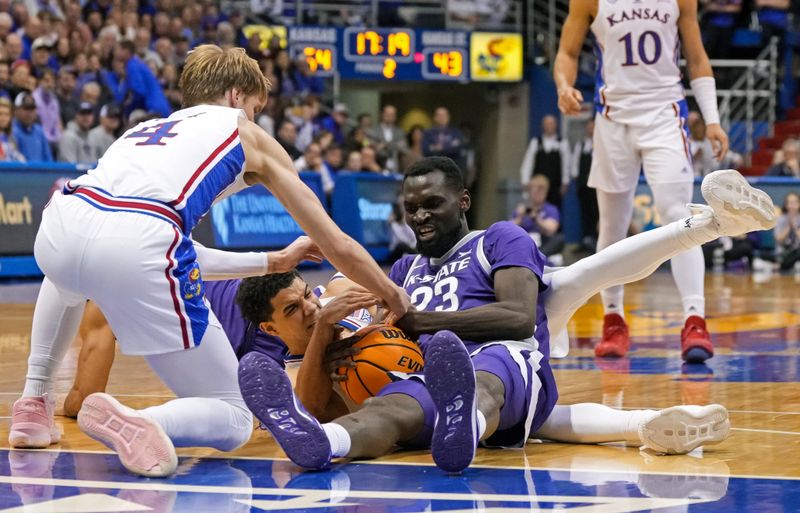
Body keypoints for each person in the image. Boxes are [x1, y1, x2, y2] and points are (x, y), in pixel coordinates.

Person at [8, 45, 410, 479]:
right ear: (237, 96)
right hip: (142, 242)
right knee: (237, 414)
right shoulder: (247, 134)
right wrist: (392, 294)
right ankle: (146, 421)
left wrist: (272, 261)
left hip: (63, 219)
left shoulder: (144, 129)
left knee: (66, 273)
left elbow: (119, 237)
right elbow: (334, 242)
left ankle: (33, 403)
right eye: (254, 108)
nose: (253, 118)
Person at [239, 157, 773, 473]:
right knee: (389, 409)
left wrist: (422, 324)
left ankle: (706, 225)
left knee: (495, 362)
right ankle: (322, 444)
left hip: (510, 360)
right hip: (432, 370)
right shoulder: (402, 270)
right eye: (411, 210)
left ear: (463, 199)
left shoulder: (499, 238)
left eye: (433, 205)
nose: (420, 216)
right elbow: (365, 312)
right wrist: (331, 321)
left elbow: (518, 318)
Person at [554, 0, 730, 362]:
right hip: (612, 119)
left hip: (665, 115)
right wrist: (563, 85)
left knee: (680, 217)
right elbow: (567, 53)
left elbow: (696, 58)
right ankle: (613, 320)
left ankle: (695, 321)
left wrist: (711, 118)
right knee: (613, 226)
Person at [519, 115, 570, 208]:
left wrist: (565, 182)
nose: (549, 126)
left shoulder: (562, 143)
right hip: (538, 184)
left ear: (556, 125)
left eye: (551, 124)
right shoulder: (536, 142)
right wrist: (525, 180)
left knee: (555, 208)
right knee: (537, 208)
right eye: (547, 124)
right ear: (543, 126)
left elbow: (565, 164)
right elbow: (528, 162)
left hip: (555, 185)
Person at [511, 174, 564, 258]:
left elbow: (551, 230)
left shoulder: (550, 209)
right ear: (529, 192)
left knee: (560, 238)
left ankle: (537, 257)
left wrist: (536, 219)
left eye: (541, 191)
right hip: (525, 242)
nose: (537, 195)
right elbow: (509, 229)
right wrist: (520, 217)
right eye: (535, 191)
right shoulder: (523, 209)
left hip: (543, 244)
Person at [571, 119, 598, 248]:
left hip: (598, 186)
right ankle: (585, 241)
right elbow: (575, 165)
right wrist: (578, 178)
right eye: (588, 127)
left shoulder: (601, 144)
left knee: (598, 213)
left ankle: (597, 241)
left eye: (593, 127)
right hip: (583, 186)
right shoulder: (580, 145)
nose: (590, 129)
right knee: (585, 213)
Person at [12, 92, 53, 162]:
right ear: (16, 110)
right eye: (26, 108)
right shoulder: (11, 131)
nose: (29, 112)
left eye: (32, 108)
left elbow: (48, 160)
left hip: (41, 172)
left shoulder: (39, 131)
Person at [369, 104, 406, 173]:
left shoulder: (399, 132)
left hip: (395, 164)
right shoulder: (373, 130)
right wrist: (378, 147)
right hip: (377, 164)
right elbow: (368, 144)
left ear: (395, 117)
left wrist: (385, 145)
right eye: (387, 114)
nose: (389, 117)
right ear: (382, 114)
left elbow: (404, 148)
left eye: (392, 115)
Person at [774, 192, 800, 271]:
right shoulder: (781, 219)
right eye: (790, 203)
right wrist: (788, 226)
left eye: (795, 202)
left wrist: (795, 227)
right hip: (783, 253)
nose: (793, 205)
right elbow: (778, 239)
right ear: (786, 205)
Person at [0, 97, 26, 162]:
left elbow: (19, 159)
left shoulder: (12, 139)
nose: (3, 118)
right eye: (0, 114)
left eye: (6, 114)